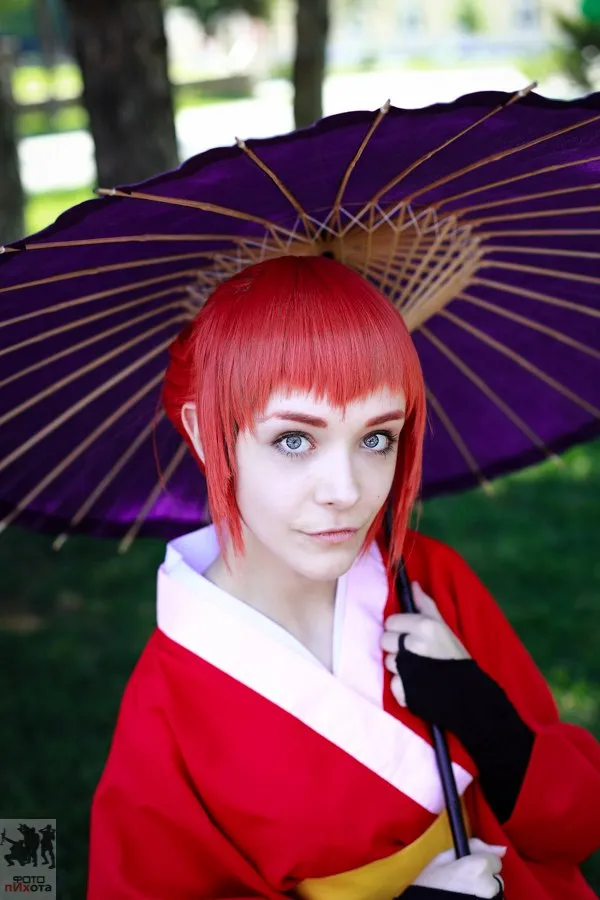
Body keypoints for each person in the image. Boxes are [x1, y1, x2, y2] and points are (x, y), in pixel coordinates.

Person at [87, 256, 600, 899]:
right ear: (203, 431)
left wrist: (485, 718)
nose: (346, 490)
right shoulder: (167, 700)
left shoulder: (427, 579)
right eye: (294, 440)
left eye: (376, 438)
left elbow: (577, 824)